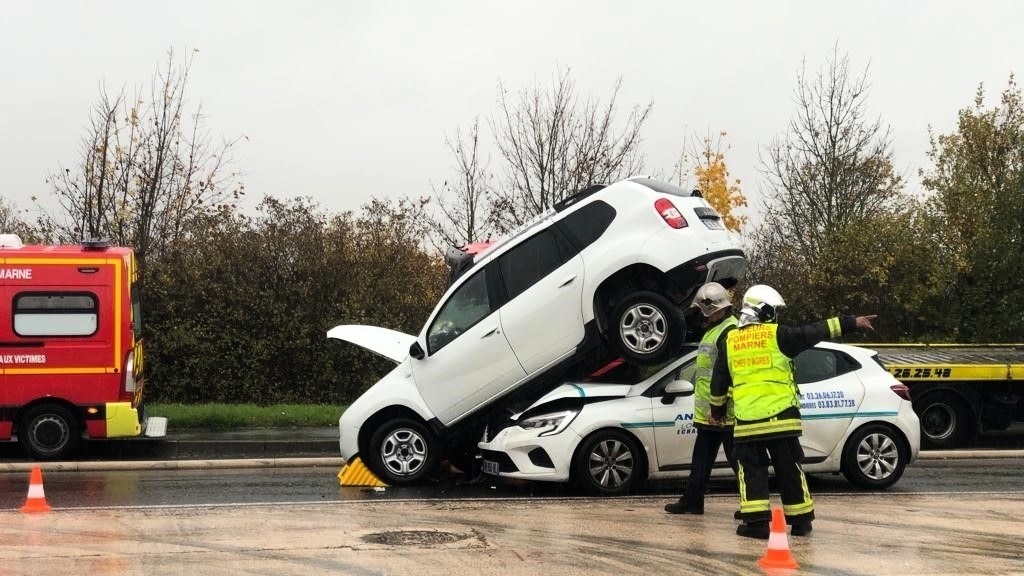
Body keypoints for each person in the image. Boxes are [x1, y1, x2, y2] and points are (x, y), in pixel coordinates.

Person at [709, 285, 876, 539]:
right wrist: (852, 322)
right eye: (774, 311)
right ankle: (801, 522)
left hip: (747, 421)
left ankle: (756, 524)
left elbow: (719, 382)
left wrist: (717, 411)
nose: (777, 316)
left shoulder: (729, 341)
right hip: (782, 419)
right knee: (789, 470)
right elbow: (815, 331)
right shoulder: (779, 335)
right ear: (766, 311)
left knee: (751, 471)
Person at [665, 282, 739, 515]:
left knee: (738, 461)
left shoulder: (729, 332)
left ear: (712, 308)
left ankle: (753, 506)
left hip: (724, 413)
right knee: (701, 459)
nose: (702, 315)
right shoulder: (717, 329)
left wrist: (719, 407)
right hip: (711, 412)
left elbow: (729, 374)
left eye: (703, 310)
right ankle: (693, 500)